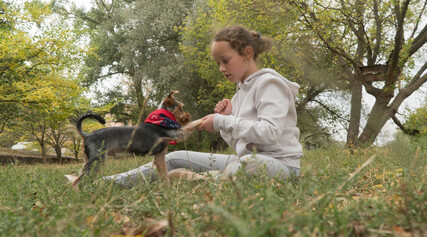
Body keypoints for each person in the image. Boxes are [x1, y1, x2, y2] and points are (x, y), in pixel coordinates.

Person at [103, 25, 303, 188]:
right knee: (178, 157)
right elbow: (241, 146)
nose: (221, 69)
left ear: (247, 53)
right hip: (246, 160)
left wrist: (224, 121)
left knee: (242, 168)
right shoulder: (240, 93)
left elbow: (271, 133)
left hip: (280, 166)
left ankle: (202, 180)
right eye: (218, 63)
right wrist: (227, 121)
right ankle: (107, 183)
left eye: (225, 61)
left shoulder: (269, 84)